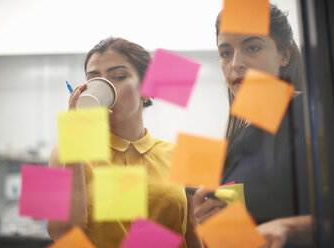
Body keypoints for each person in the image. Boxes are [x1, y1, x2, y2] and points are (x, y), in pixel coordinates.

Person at [47, 37, 202, 248]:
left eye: (118, 76)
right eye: (94, 80)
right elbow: (61, 233)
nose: (105, 87)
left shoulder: (180, 155)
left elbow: (192, 234)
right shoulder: (64, 151)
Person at [193, 4, 312, 248]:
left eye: (253, 47)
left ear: (284, 54)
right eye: (226, 52)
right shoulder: (238, 141)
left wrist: (290, 228)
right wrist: (215, 222)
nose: (236, 63)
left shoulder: (313, 114)